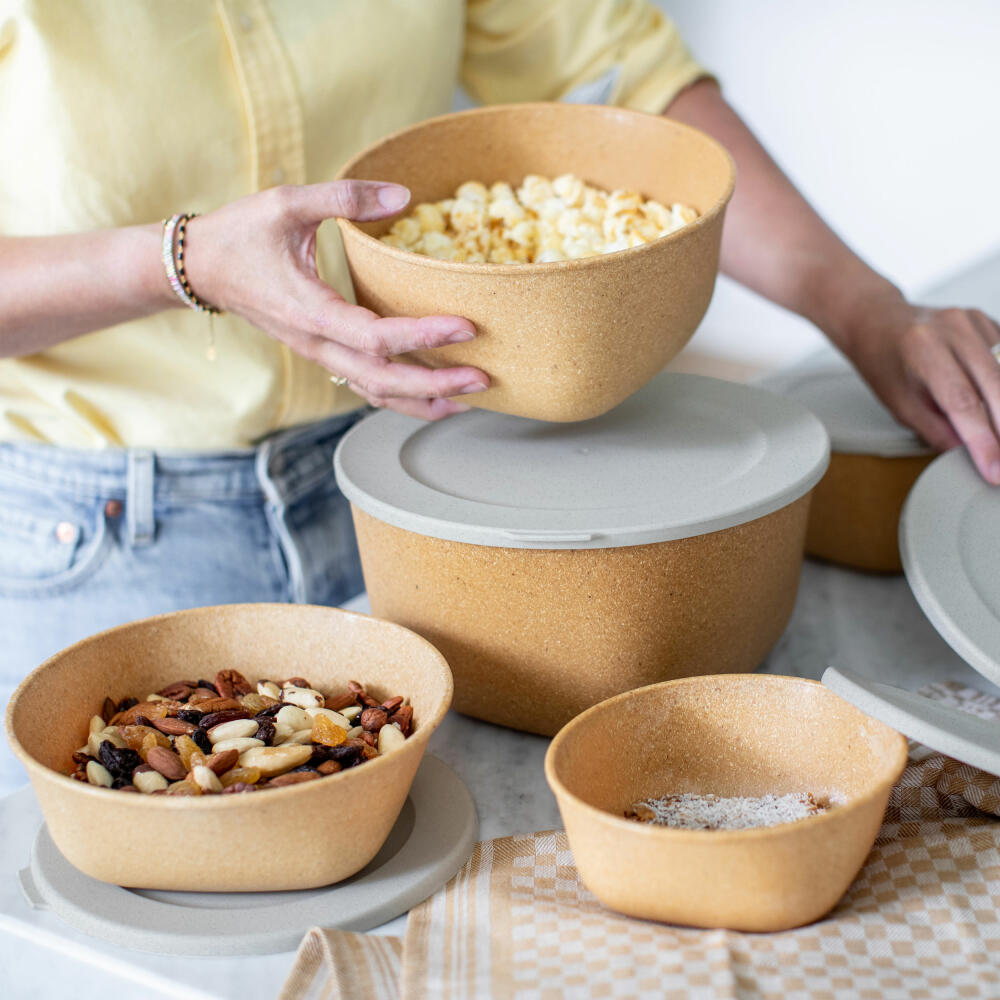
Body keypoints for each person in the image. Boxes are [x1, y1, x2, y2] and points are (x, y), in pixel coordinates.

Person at [0, 1, 997, 794]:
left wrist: (864, 307)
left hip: (417, 468)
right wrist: (180, 262)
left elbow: (620, 73)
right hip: (110, 537)